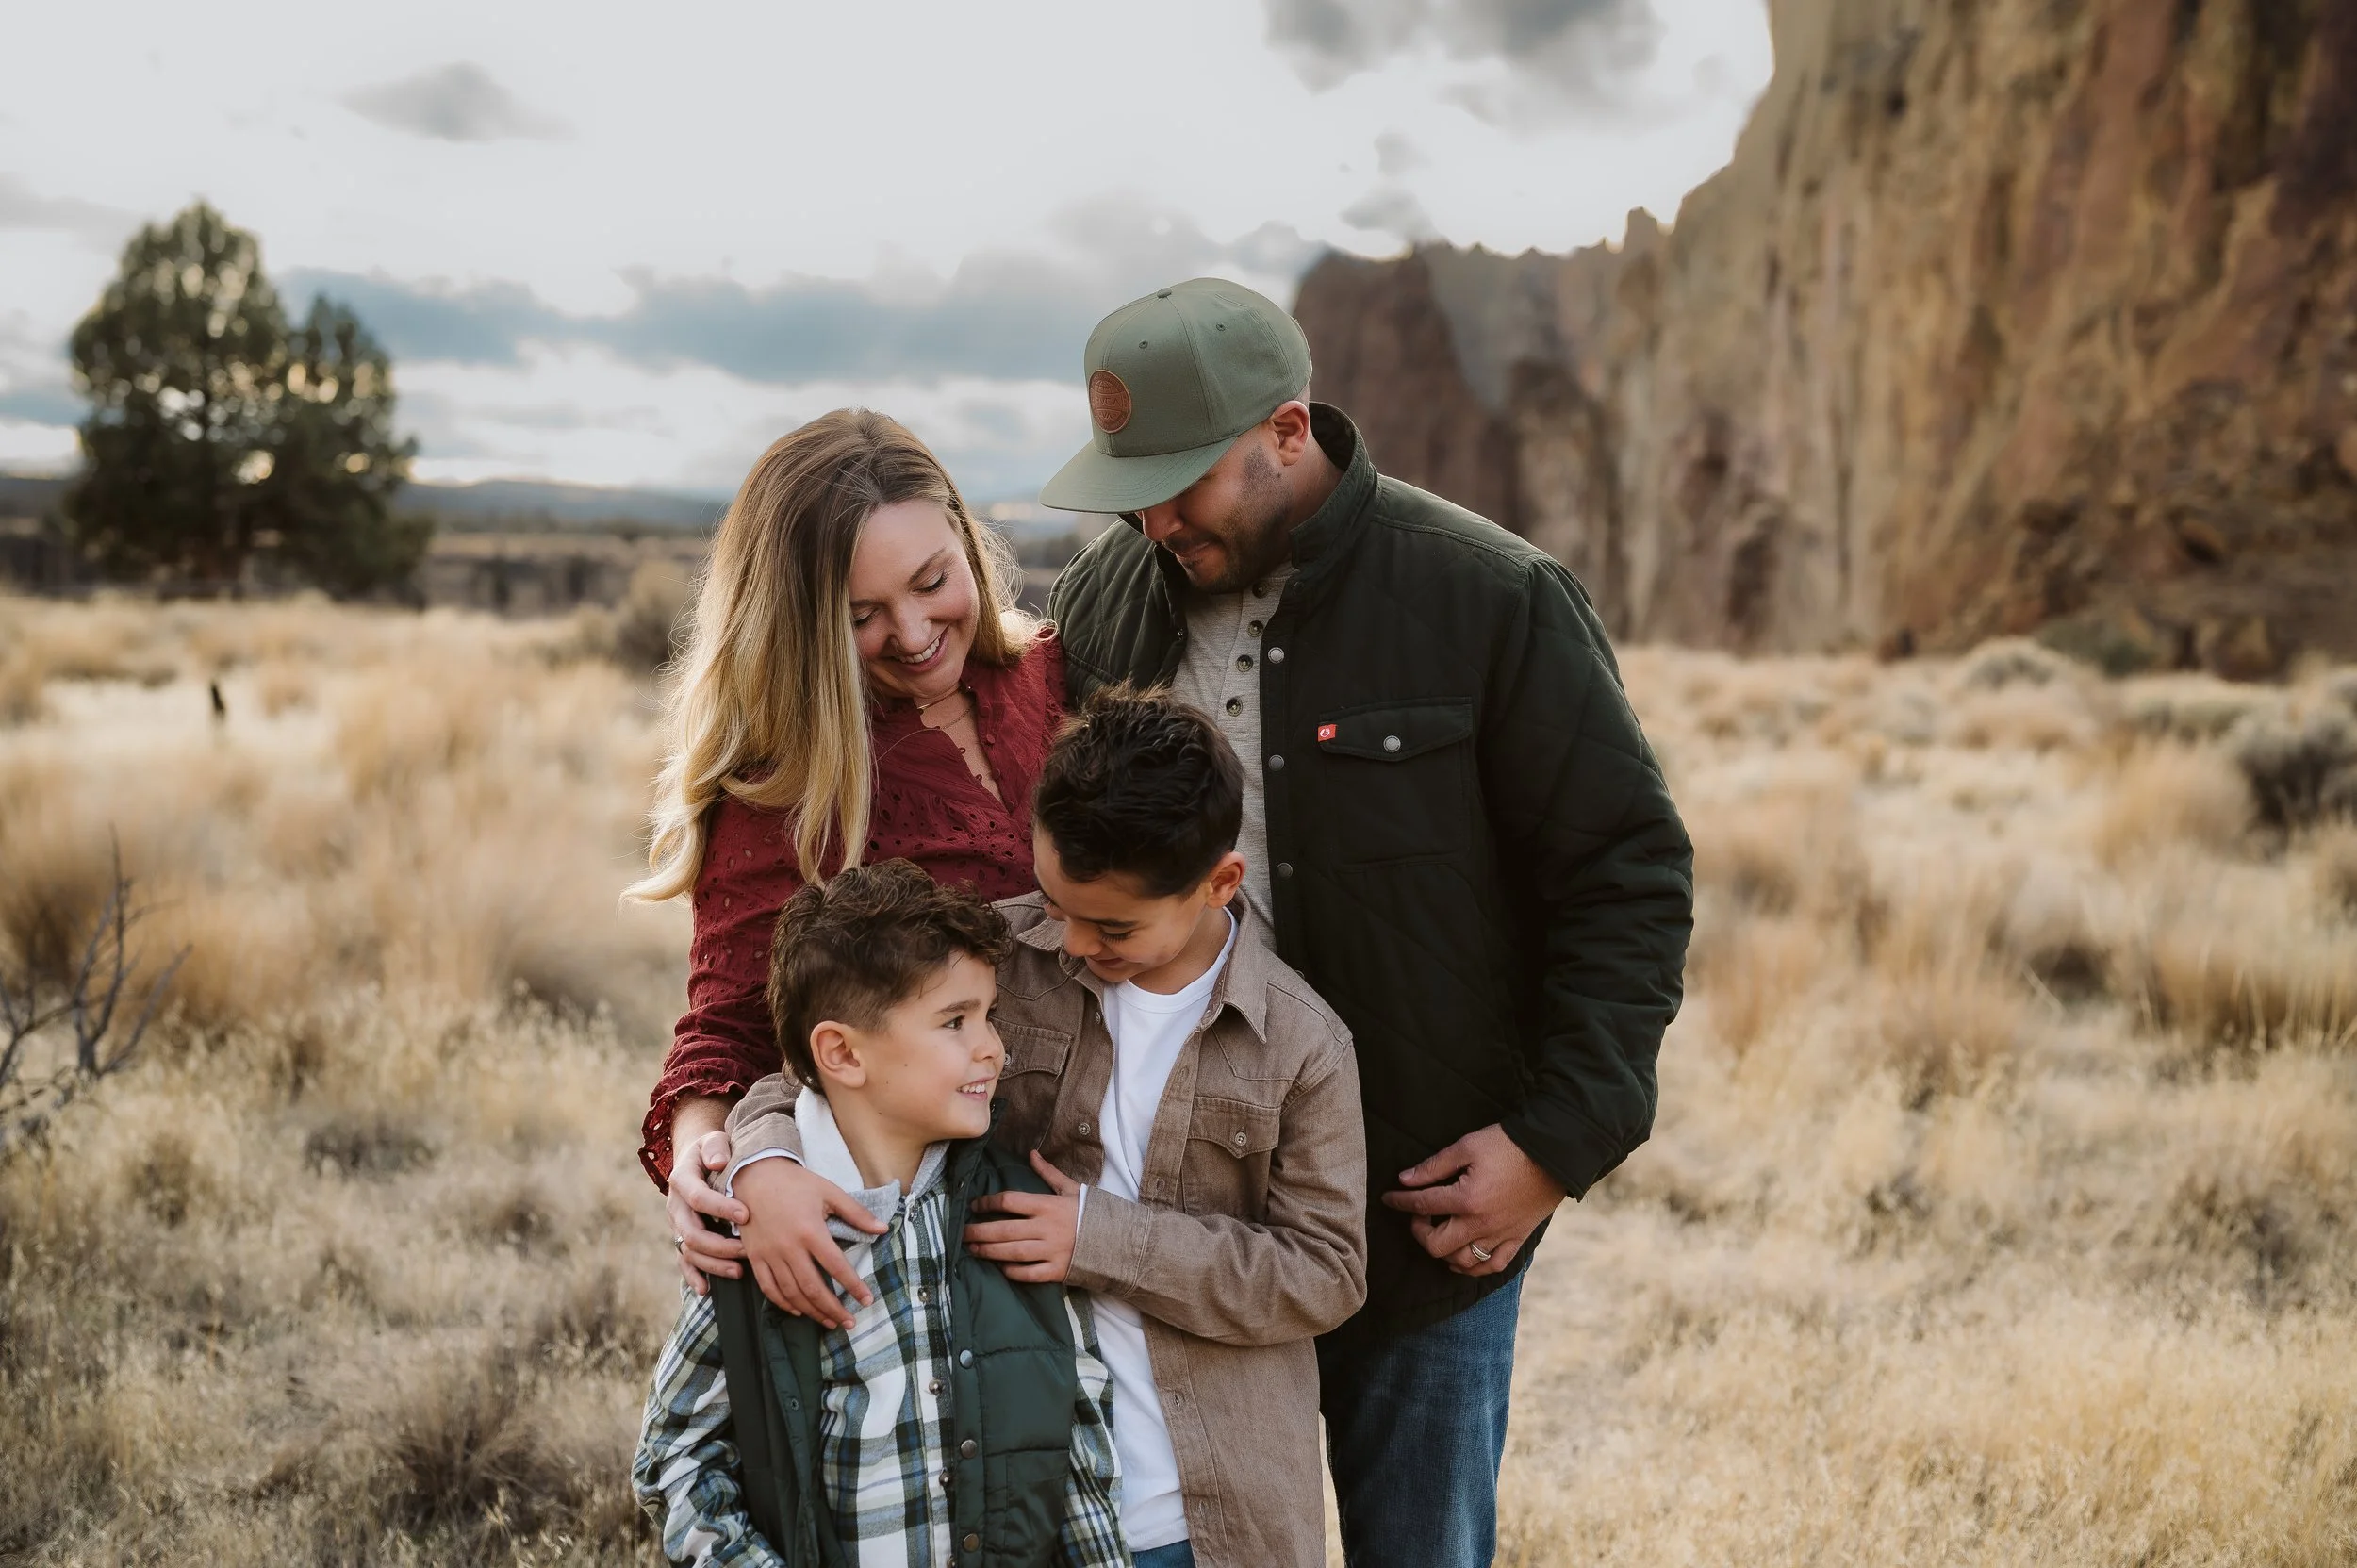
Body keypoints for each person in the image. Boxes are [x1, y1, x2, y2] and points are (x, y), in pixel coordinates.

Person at [1037, 278, 1695, 1568]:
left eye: (1188, 478)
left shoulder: (1493, 595)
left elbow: (1629, 871)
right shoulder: (1112, 594)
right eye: (1133, 481)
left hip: (1421, 1218)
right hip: (1182, 1227)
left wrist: (1557, 1139)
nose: (1155, 515)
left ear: (1289, 431)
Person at [726, 688, 1369, 1568]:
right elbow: (832, 1064)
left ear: (1220, 882)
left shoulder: (1301, 1044)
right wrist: (762, 1160)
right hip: (1011, 1501)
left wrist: (1103, 1237)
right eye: (1056, 902)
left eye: (1110, 926)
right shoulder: (1003, 959)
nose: (1067, 941)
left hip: (1206, 1509)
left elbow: (1327, 1273)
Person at [631, 408, 1066, 1327]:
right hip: (945, 1244)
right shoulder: (783, 788)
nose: (913, 633)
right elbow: (732, 1024)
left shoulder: (1057, 675)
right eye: (861, 615)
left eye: (931, 581)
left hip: (1124, 1201)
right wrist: (726, 1164)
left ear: (965, 540)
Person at [632, 861, 1131, 1568]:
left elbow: (1083, 1456)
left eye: (989, 1014)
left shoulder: (1017, 1212)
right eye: (955, 1020)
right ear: (841, 1051)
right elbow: (675, 1454)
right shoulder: (749, 1233)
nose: (993, 1046)